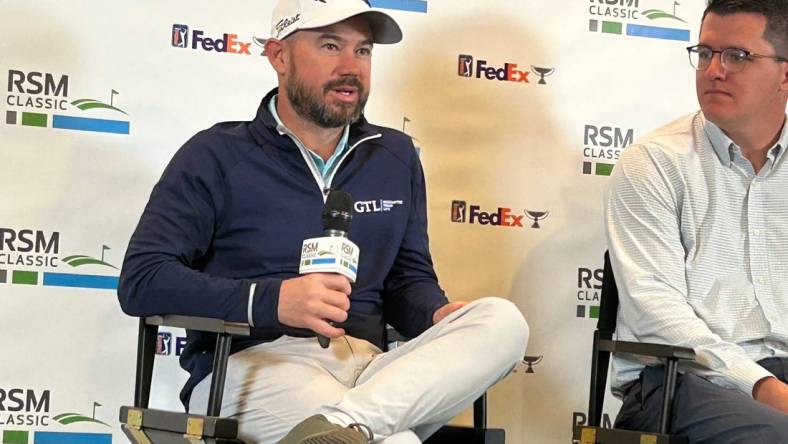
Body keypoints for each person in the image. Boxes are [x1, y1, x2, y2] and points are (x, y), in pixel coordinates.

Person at [117, 1, 529, 443]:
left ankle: (339, 426)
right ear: (279, 56)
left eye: (364, 51)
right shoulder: (215, 154)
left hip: (371, 372)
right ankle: (351, 426)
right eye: (331, 46)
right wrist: (272, 300)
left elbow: (408, 280)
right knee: (396, 439)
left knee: (502, 322)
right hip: (252, 368)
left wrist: (435, 314)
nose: (351, 67)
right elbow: (143, 279)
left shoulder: (395, 156)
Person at [605, 0, 788, 441]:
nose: (713, 71)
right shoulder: (654, 164)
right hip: (681, 380)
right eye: (705, 53)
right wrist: (764, 387)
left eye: (737, 56)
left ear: (785, 74)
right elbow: (656, 313)